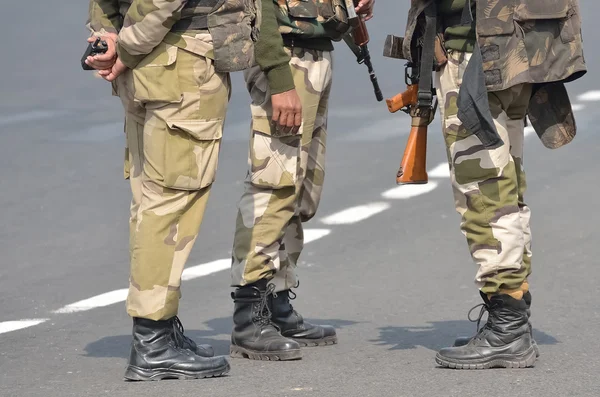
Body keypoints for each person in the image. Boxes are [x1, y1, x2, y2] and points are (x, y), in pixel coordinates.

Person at [399, 0, 586, 369]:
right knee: (506, 188)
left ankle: (508, 328)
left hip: (474, 53)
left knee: (484, 194)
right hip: (519, 49)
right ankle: (512, 311)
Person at [84, 0, 261, 380]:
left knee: (150, 200)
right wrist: (126, 47)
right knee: (170, 204)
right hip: (178, 61)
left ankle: (159, 331)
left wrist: (108, 35)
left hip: (152, 64)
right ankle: (153, 340)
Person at [228, 0, 375, 361]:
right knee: (273, 184)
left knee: (300, 189)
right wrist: (278, 77)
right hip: (284, 54)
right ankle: (249, 315)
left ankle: (276, 301)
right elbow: (256, 7)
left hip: (316, 50)